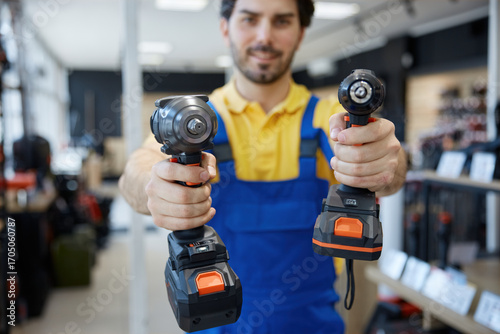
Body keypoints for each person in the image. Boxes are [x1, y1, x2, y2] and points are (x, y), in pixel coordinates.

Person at [119, 0, 407, 332]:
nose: (264, 36)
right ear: (226, 27)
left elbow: (394, 170)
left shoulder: (330, 117)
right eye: (250, 19)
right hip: (215, 319)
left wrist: (385, 161)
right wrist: (153, 187)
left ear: (300, 33)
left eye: (282, 21)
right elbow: (137, 171)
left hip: (311, 321)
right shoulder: (195, 122)